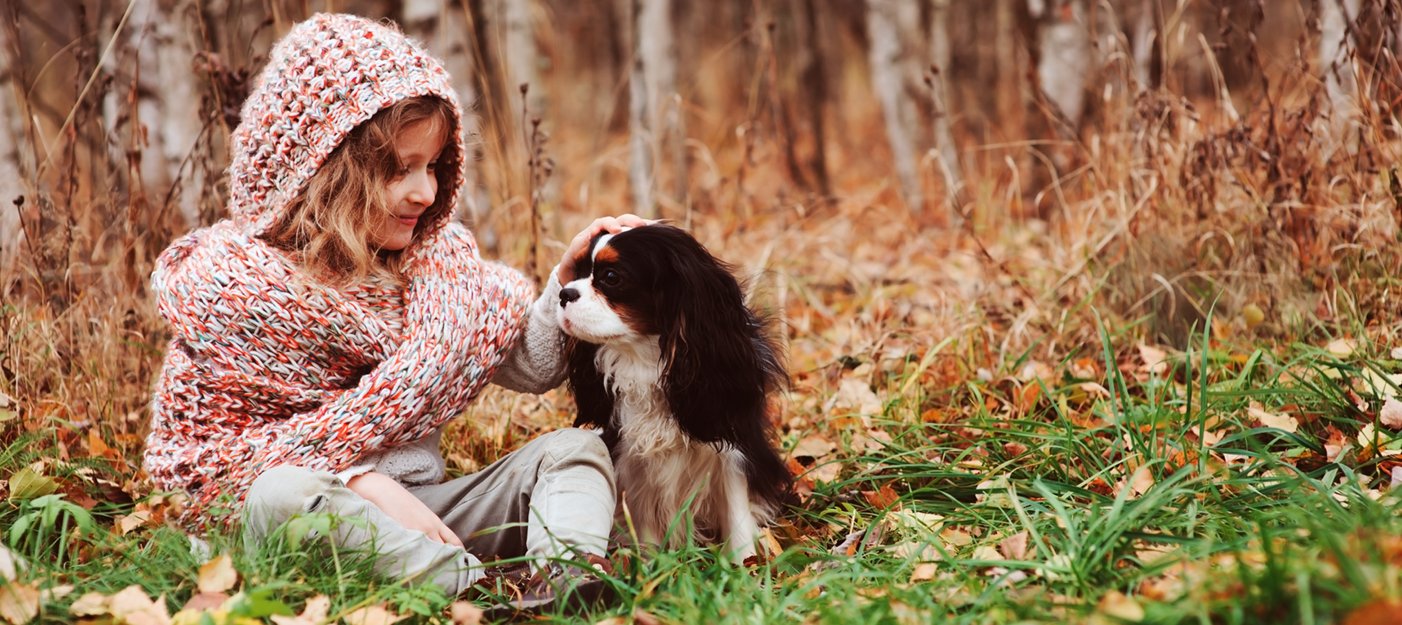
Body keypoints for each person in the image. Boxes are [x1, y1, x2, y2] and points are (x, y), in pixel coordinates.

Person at [143, 13, 641, 606]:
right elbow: (204, 479)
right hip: (321, 521)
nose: (425, 193)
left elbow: (534, 363)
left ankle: (565, 576)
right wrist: (361, 481)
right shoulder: (229, 294)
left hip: (431, 515)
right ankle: (470, 591)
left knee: (571, 451)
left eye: (432, 167)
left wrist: (565, 279)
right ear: (320, 172)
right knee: (280, 494)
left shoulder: (438, 273)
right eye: (398, 170)